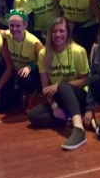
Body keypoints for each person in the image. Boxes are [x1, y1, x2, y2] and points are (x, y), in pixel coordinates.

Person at [27, 17, 90, 150]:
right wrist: (54, 107)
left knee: (63, 86)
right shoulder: (44, 53)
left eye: (61, 31)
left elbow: (85, 80)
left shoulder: (78, 51)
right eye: (54, 31)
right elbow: (45, 86)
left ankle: (79, 130)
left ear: (67, 32)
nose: (58, 35)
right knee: (33, 116)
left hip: (77, 95)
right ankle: (69, 117)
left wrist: (58, 86)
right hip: (58, 98)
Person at [3, 10, 44, 109]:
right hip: (15, 71)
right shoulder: (7, 34)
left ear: (25, 25)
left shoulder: (34, 42)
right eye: (12, 25)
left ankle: (33, 98)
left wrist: (31, 67)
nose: (14, 29)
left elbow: (47, 60)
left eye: (18, 26)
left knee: (25, 76)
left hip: (31, 74)